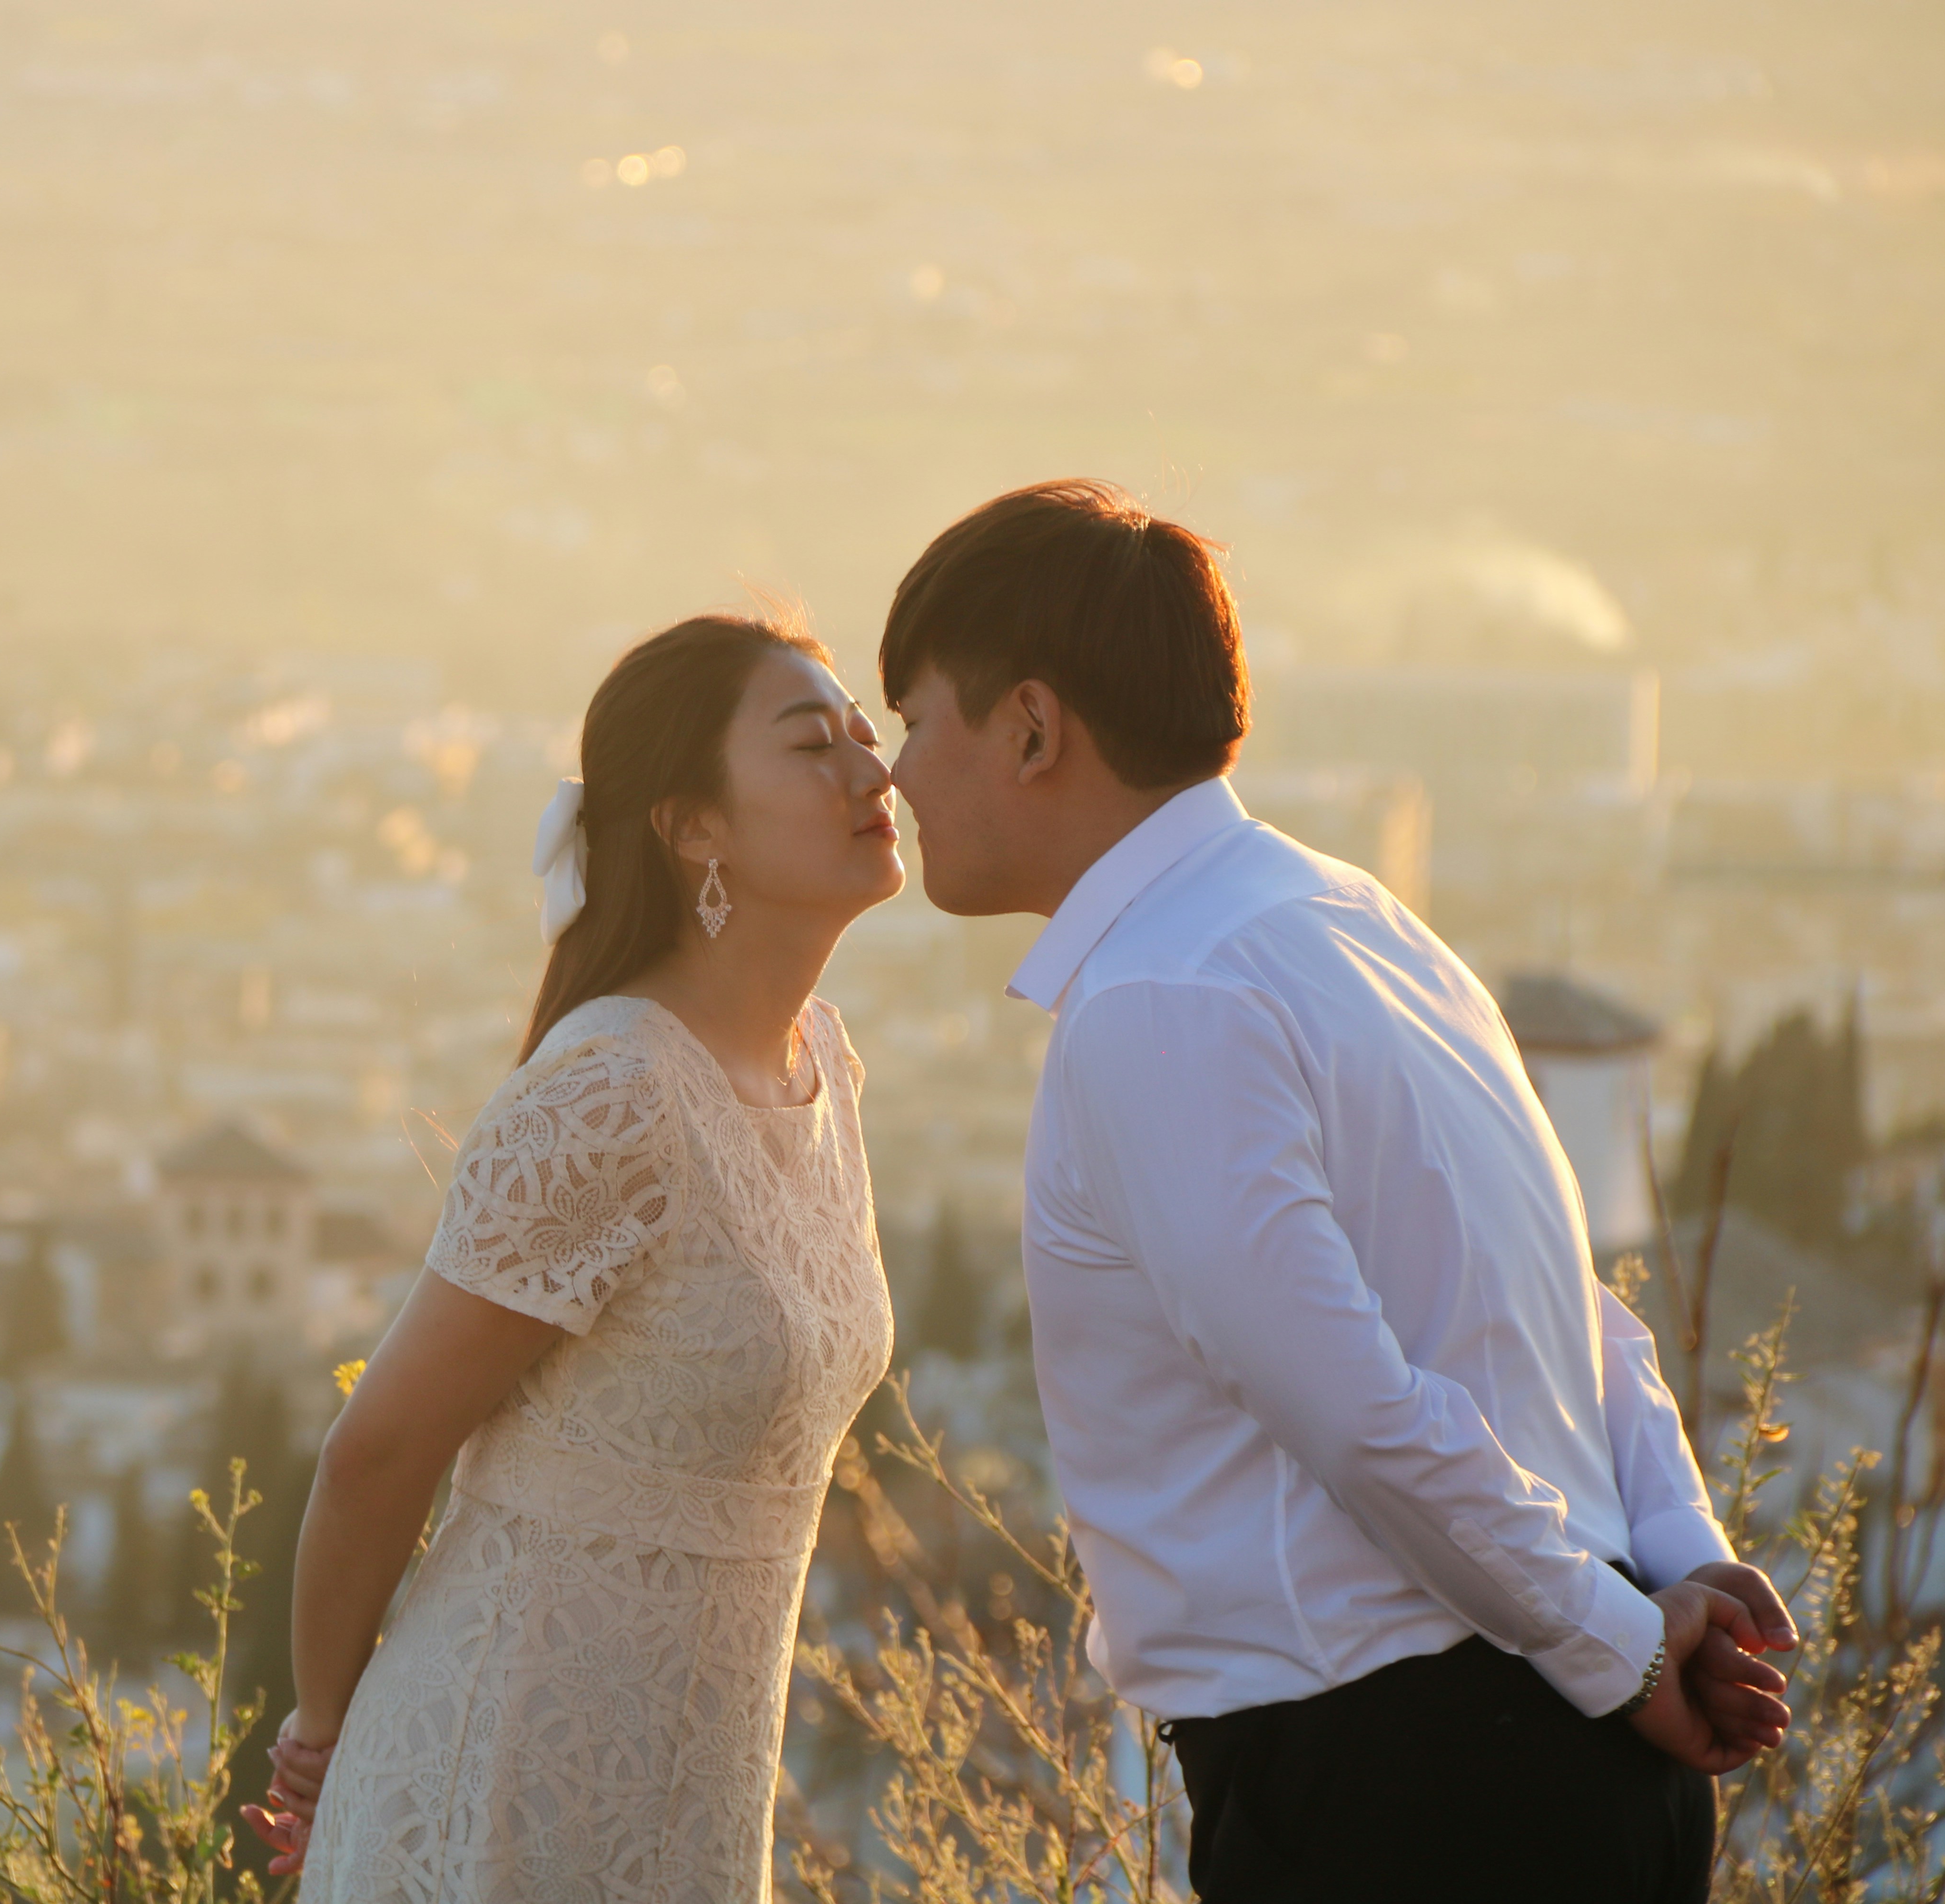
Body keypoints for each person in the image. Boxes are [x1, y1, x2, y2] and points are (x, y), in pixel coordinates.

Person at [877, 480, 1796, 1903]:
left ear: (1032, 728)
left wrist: (1626, 1648)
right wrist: (1672, 1562)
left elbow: (1356, 1410)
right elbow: (1562, 1303)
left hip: (1412, 1785)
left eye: (915, 721)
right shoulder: (1359, 921)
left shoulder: (1157, 1001)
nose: (897, 775)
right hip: (1576, 1745)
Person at [242, 612, 902, 1901]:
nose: (872, 774)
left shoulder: (823, 1061)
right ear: (691, 826)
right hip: (495, 1788)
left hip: (690, 1801)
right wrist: (321, 1740)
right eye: (813, 745)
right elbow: (381, 1451)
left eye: (867, 737)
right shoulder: (612, 1092)